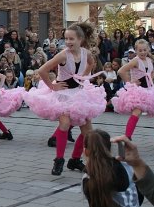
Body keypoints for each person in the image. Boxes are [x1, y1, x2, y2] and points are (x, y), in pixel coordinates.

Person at [24, 22, 107, 176]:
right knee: (64, 123)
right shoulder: (63, 54)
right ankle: (59, 159)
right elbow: (42, 70)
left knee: (88, 131)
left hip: (79, 93)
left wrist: (84, 77)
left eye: (71, 39)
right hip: (63, 94)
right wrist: (52, 86)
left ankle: (75, 159)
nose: (68, 42)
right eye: (66, 38)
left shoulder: (86, 53)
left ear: (80, 39)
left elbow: (91, 63)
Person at [113, 40, 154, 149]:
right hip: (138, 90)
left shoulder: (149, 60)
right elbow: (121, 71)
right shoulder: (135, 61)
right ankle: (127, 137)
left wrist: (151, 79)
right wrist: (130, 82)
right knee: (137, 112)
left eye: (144, 50)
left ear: (148, 50)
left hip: (149, 90)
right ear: (136, 51)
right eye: (140, 50)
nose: (142, 52)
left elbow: (151, 72)